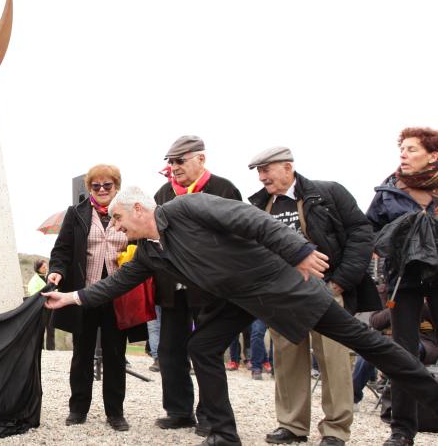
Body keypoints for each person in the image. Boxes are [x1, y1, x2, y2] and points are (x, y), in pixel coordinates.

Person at [42, 186, 438, 446]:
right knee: (203, 345)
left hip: (278, 288)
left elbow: (253, 220)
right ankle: (223, 433)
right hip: (235, 301)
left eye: (118, 218)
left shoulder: (189, 207)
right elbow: (116, 284)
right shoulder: (150, 252)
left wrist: (298, 251)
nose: (116, 226)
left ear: (140, 209)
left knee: (364, 341)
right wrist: (72, 298)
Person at [248, 146, 378, 446]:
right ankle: (292, 425)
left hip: (326, 289)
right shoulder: (258, 205)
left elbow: (361, 232)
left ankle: (335, 430)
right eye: (259, 171)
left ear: (288, 167)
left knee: (333, 361)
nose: (261, 176)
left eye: (266, 169)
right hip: (283, 293)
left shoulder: (327, 192)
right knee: (287, 360)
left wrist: (341, 282)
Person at [153, 135, 242, 436]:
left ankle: (209, 415)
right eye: (171, 162)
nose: (174, 167)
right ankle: (179, 411)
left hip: (208, 285)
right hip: (172, 285)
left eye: (180, 161)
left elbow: (236, 233)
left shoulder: (224, 189)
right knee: (169, 350)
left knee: (205, 352)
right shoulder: (163, 193)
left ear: (201, 159)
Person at [47, 164, 145, 431]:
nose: (102, 190)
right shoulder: (76, 214)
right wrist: (56, 271)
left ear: (117, 187)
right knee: (81, 354)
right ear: (89, 188)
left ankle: (115, 413)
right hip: (83, 295)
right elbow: (62, 251)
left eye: (108, 185)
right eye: (96, 186)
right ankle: (78, 409)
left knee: (116, 354)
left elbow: (141, 243)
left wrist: (132, 255)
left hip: (118, 296)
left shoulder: (126, 212)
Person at [366, 126, 438, 446]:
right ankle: (402, 429)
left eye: (412, 150)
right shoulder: (388, 191)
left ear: (432, 155)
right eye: (402, 149)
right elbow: (369, 230)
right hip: (403, 281)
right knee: (403, 353)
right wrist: (388, 242)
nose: (403, 155)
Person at [27, 259, 56, 350]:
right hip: (41, 307)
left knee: (51, 329)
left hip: (51, 306)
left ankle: (51, 349)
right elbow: (32, 293)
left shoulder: (49, 277)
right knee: (41, 329)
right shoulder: (34, 280)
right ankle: (41, 349)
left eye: (46, 266)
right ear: (38, 268)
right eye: (43, 267)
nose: (46, 268)